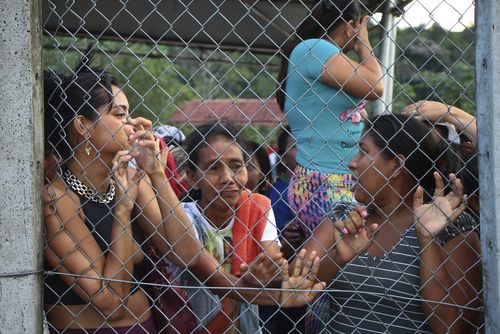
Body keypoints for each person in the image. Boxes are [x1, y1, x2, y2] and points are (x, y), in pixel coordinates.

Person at [43, 54, 203, 333]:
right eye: (120, 115)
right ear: (83, 126)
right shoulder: (58, 199)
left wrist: (154, 171)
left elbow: (187, 254)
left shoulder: (132, 182)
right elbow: (111, 303)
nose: (133, 124)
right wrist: (122, 211)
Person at [302, 114, 482, 333]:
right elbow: (295, 285)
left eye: (364, 152)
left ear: (397, 164)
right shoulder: (346, 216)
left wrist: (427, 239)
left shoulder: (453, 224)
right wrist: (339, 257)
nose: (352, 163)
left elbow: (451, 327)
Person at [276, 0, 384, 236]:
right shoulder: (316, 49)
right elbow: (376, 86)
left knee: (346, 257)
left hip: (335, 178)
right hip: (327, 180)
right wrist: (363, 41)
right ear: (349, 27)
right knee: (345, 257)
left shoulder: (321, 58)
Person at [168, 124, 281, 333]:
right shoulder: (183, 217)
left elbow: (272, 261)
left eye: (236, 166)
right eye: (213, 168)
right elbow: (212, 277)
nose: (227, 178)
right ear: (193, 178)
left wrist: (268, 272)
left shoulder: (258, 207)